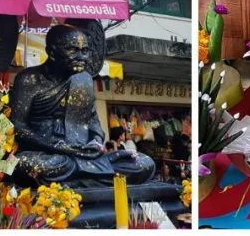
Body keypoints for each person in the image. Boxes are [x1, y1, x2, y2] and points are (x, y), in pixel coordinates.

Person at [9, 25, 156, 186]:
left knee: (144, 163)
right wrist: (56, 147)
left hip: (84, 156)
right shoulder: (29, 80)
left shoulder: (84, 80)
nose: (81, 57)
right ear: (51, 52)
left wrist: (95, 142)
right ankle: (90, 178)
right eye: (73, 50)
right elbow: (17, 126)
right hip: (48, 155)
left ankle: (78, 179)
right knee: (22, 165)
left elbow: (93, 122)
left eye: (84, 51)